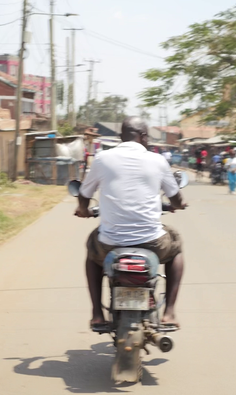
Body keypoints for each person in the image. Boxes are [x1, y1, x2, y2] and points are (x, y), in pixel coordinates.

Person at [76, 117, 187, 328]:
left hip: (110, 244)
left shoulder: (102, 158)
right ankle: (170, 312)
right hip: (152, 242)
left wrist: (83, 210)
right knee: (176, 245)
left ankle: (97, 313)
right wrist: (179, 204)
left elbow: (83, 193)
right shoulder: (158, 160)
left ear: (121, 137)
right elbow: (176, 198)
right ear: (144, 137)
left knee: (92, 249)